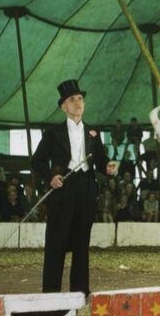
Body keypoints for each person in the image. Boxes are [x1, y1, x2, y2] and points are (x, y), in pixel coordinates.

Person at [32, 79, 118, 298]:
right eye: (72, 100)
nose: (78, 103)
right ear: (63, 106)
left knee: (82, 241)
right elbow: (37, 161)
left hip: (86, 189)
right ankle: (50, 292)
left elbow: (100, 160)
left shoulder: (93, 133)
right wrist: (51, 177)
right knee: (56, 242)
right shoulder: (53, 133)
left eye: (80, 99)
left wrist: (107, 166)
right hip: (63, 190)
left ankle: (80, 291)